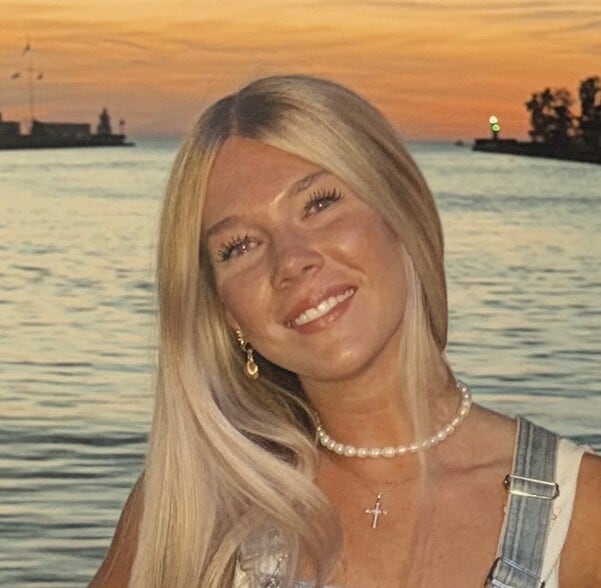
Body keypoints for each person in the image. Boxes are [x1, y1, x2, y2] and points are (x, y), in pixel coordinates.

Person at [89, 75, 601, 588]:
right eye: (240, 246)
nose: (291, 261)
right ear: (225, 313)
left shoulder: (583, 515)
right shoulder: (190, 512)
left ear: (401, 210)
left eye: (318, 204)